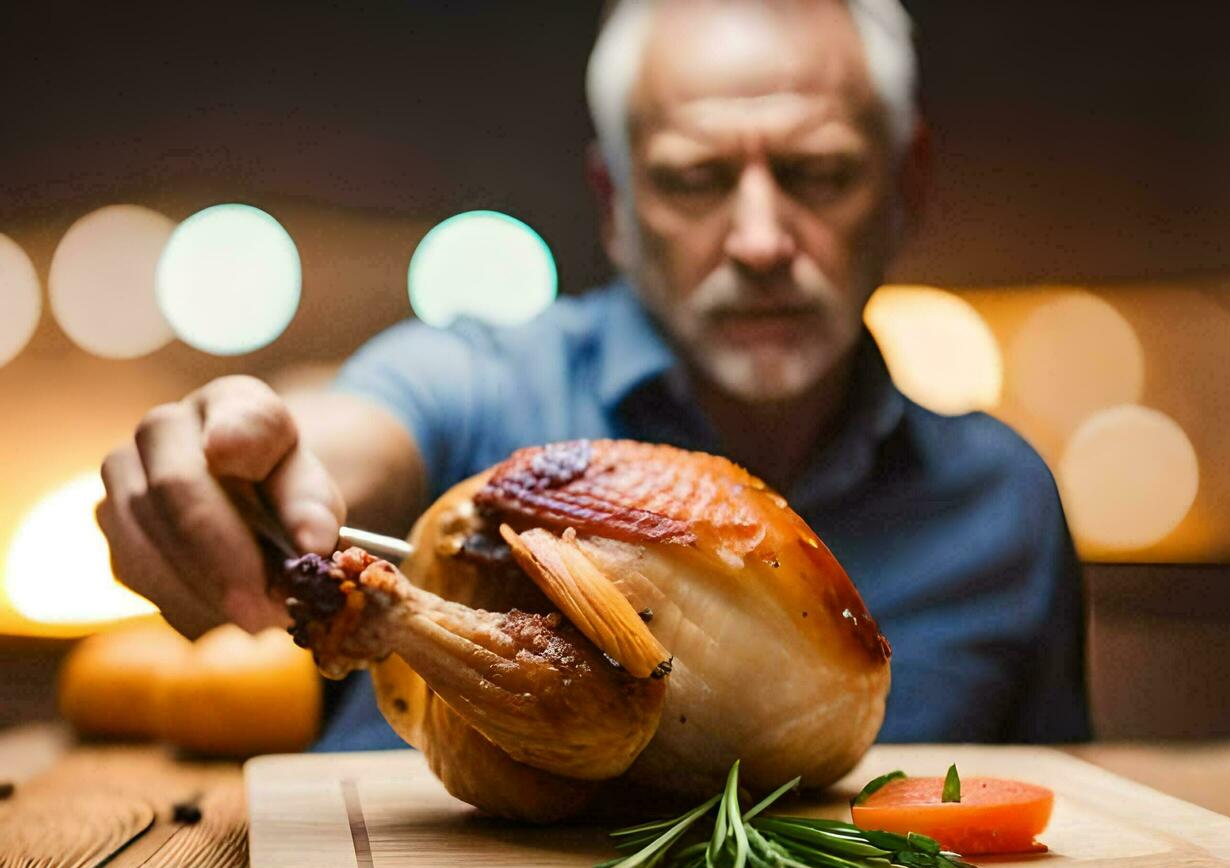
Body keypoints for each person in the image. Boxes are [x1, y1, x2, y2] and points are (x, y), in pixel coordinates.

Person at [97, 0, 1090, 748]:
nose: (757, 239)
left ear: (904, 185)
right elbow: (357, 432)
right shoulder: (485, 387)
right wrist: (256, 473)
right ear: (613, 201)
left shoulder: (1000, 505)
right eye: (693, 180)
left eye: (819, 173)